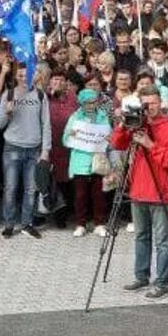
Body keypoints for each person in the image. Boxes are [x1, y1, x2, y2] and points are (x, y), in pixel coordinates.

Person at [110, 85, 168, 300]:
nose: (150, 107)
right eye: (146, 104)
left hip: (161, 191)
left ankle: (162, 283)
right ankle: (141, 275)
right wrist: (123, 125)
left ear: (161, 102)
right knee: (141, 237)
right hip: (138, 190)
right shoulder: (137, 122)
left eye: (154, 103)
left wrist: (150, 144)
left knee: (163, 240)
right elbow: (117, 144)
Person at [0, 62, 51, 239]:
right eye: (19, 75)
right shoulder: (8, 94)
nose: (23, 78)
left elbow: (46, 124)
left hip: (34, 148)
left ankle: (27, 223)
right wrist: (7, 112)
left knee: (30, 189)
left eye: (26, 75)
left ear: (34, 76)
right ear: (15, 76)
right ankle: (9, 224)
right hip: (12, 147)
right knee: (10, 188)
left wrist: (45, 150)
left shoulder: (41, 95)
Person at [63, 88, 113, 237]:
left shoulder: (103, 116)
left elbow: (109, 137)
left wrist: (109, 138)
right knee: (80, 195)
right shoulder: (75, 117)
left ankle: (99, 223)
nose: (91, 105)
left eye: (94, 102)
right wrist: (70, 135)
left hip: (98, 161)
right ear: (82, 103)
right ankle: (80, 224)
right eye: (88, 103)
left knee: (99, 194)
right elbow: (65, 141)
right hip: (80, 161)